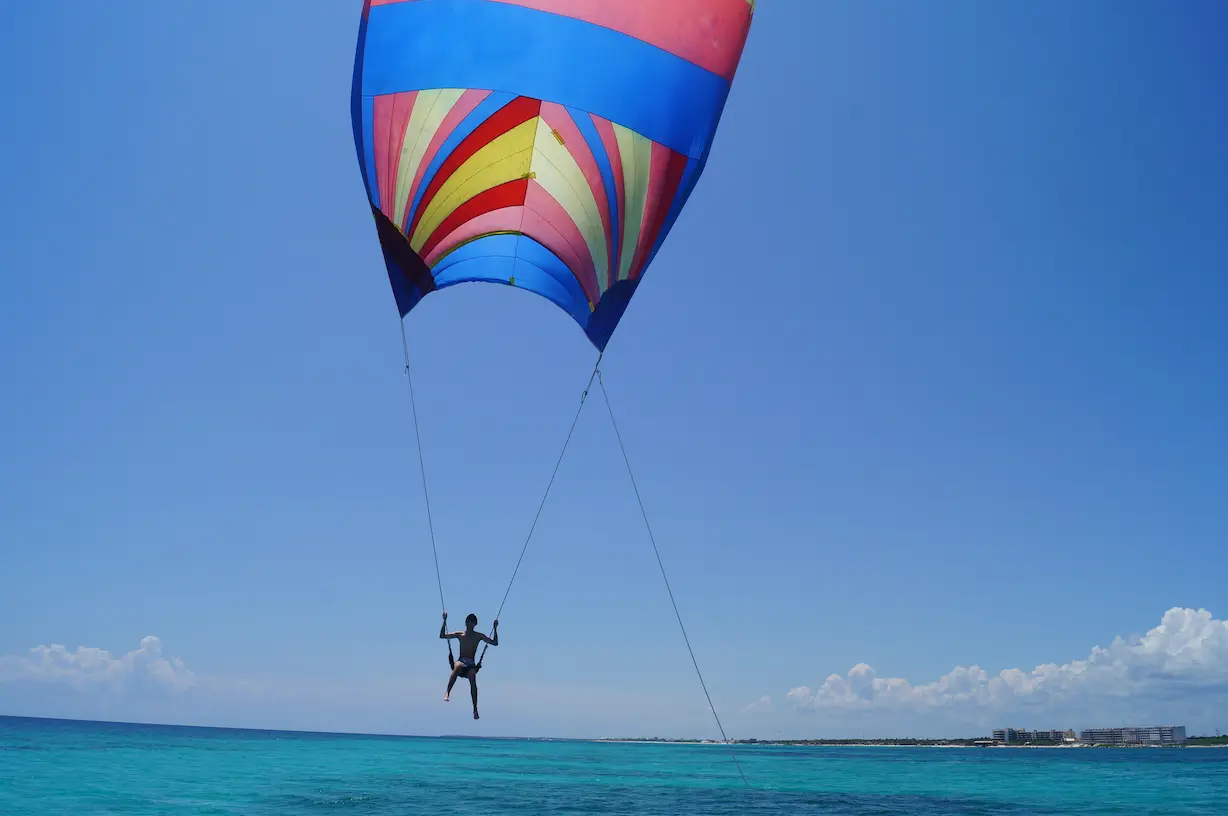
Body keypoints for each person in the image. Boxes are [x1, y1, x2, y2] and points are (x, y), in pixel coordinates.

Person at [440, 611, 498, 719]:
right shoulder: (460, 634)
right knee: (456, 666)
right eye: (469, 622)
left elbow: (495, 643)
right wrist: (444, 621)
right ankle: (447, 692)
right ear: (466, 622)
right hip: (461, 661)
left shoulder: (479, 636)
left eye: (472, 623)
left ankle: (475, 709)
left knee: (472, 677)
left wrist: (495, 628)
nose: (470, 624)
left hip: (471, 664)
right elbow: (442, 636)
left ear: (475, 624)